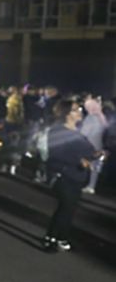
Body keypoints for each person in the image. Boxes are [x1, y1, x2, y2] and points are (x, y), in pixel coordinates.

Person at [43, 99, 97, 252]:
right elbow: (56, 153)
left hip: (77, 176)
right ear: (66, 113)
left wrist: (96, 154)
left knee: (69, 208)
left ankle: (61, 237)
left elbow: (89, 150)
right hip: (62, 174)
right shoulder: (57, 131)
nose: (79, 112)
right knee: (66, 206)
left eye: (79, 109)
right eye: (75, 110)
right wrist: (79, 160)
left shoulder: (78, 132)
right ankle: (51, 238)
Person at [80, 96, 108, 194]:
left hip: (88, 144)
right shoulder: (101, 117)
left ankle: (82, 183)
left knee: (85, 164)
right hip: (98, 144)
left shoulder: (90, 118)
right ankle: (92, 185)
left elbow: (84, 132)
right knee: (95, 168)